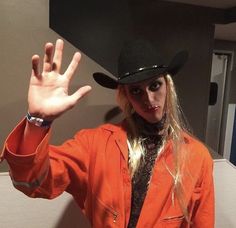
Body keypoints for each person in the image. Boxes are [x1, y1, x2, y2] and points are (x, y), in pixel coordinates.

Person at [1, 39, 214, 227]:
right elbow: (31, 183)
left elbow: (202, 222)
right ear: (126, 96)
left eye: (155, 85)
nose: (148, 99)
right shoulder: (95, 144)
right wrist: (38, 121)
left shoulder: (197, 157)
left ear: (168, 86)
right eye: (136, 91)